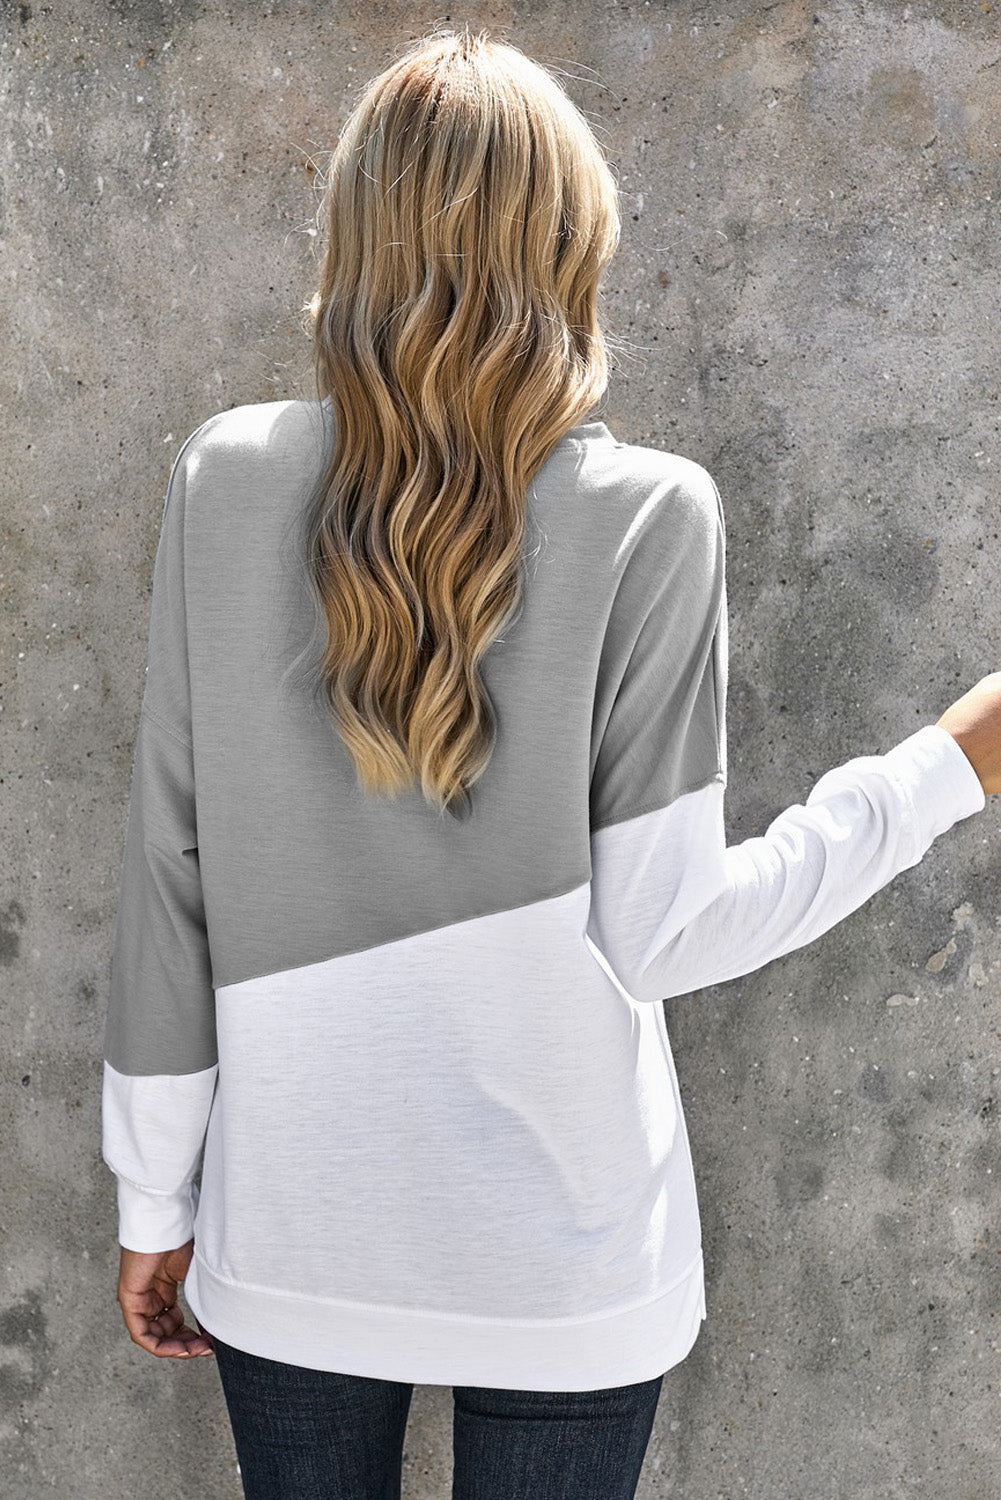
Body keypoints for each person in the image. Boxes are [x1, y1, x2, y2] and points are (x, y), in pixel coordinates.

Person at [101, 24, 1000, 1500]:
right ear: (572, 240)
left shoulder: (226, 478)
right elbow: (666, 933)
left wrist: (155, 1193)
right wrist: (945, 768)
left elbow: (167, 873)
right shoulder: (652, 513)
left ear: (355, 235)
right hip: (569, 1264)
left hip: (294, 1238)